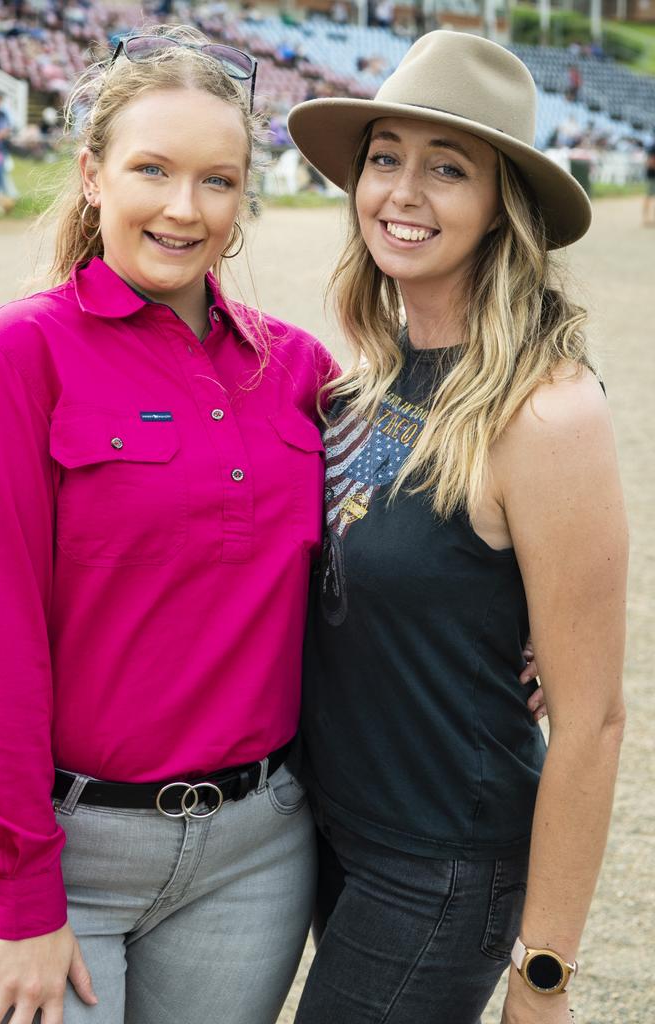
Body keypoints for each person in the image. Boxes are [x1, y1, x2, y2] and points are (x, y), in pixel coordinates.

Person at [0, 25, 331, 1024]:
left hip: (253, 858)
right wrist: (18, 897)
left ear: (244, 197)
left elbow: (405, 538)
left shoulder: (301, 370)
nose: (185, 209)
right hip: (56, 852)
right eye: (153, 168)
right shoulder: (18, 356)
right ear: (94, 173)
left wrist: (515, 626)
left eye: (218, 180)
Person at [287, 30, 627, 1024]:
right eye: (385, 156)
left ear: (499, 208)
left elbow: (594, 720)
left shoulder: (547, 412)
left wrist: (544, 977)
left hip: (440, 866)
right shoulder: (367, 379)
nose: (403, 190)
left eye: (448, 168)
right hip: (332, 831)